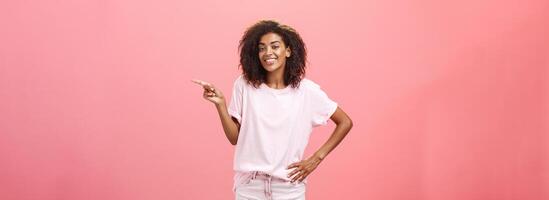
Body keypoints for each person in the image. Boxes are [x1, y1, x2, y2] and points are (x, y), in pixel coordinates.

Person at [192, 20, 353, 200]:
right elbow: (234, 138)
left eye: (275, 46)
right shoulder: (244, 85)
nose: (268, 52)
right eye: (261, 48)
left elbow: (345, 122)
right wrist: (220, 104)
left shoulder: (307, 91)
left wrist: (316, 158)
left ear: (288, 51)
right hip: (249, 188)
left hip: (289, 189)